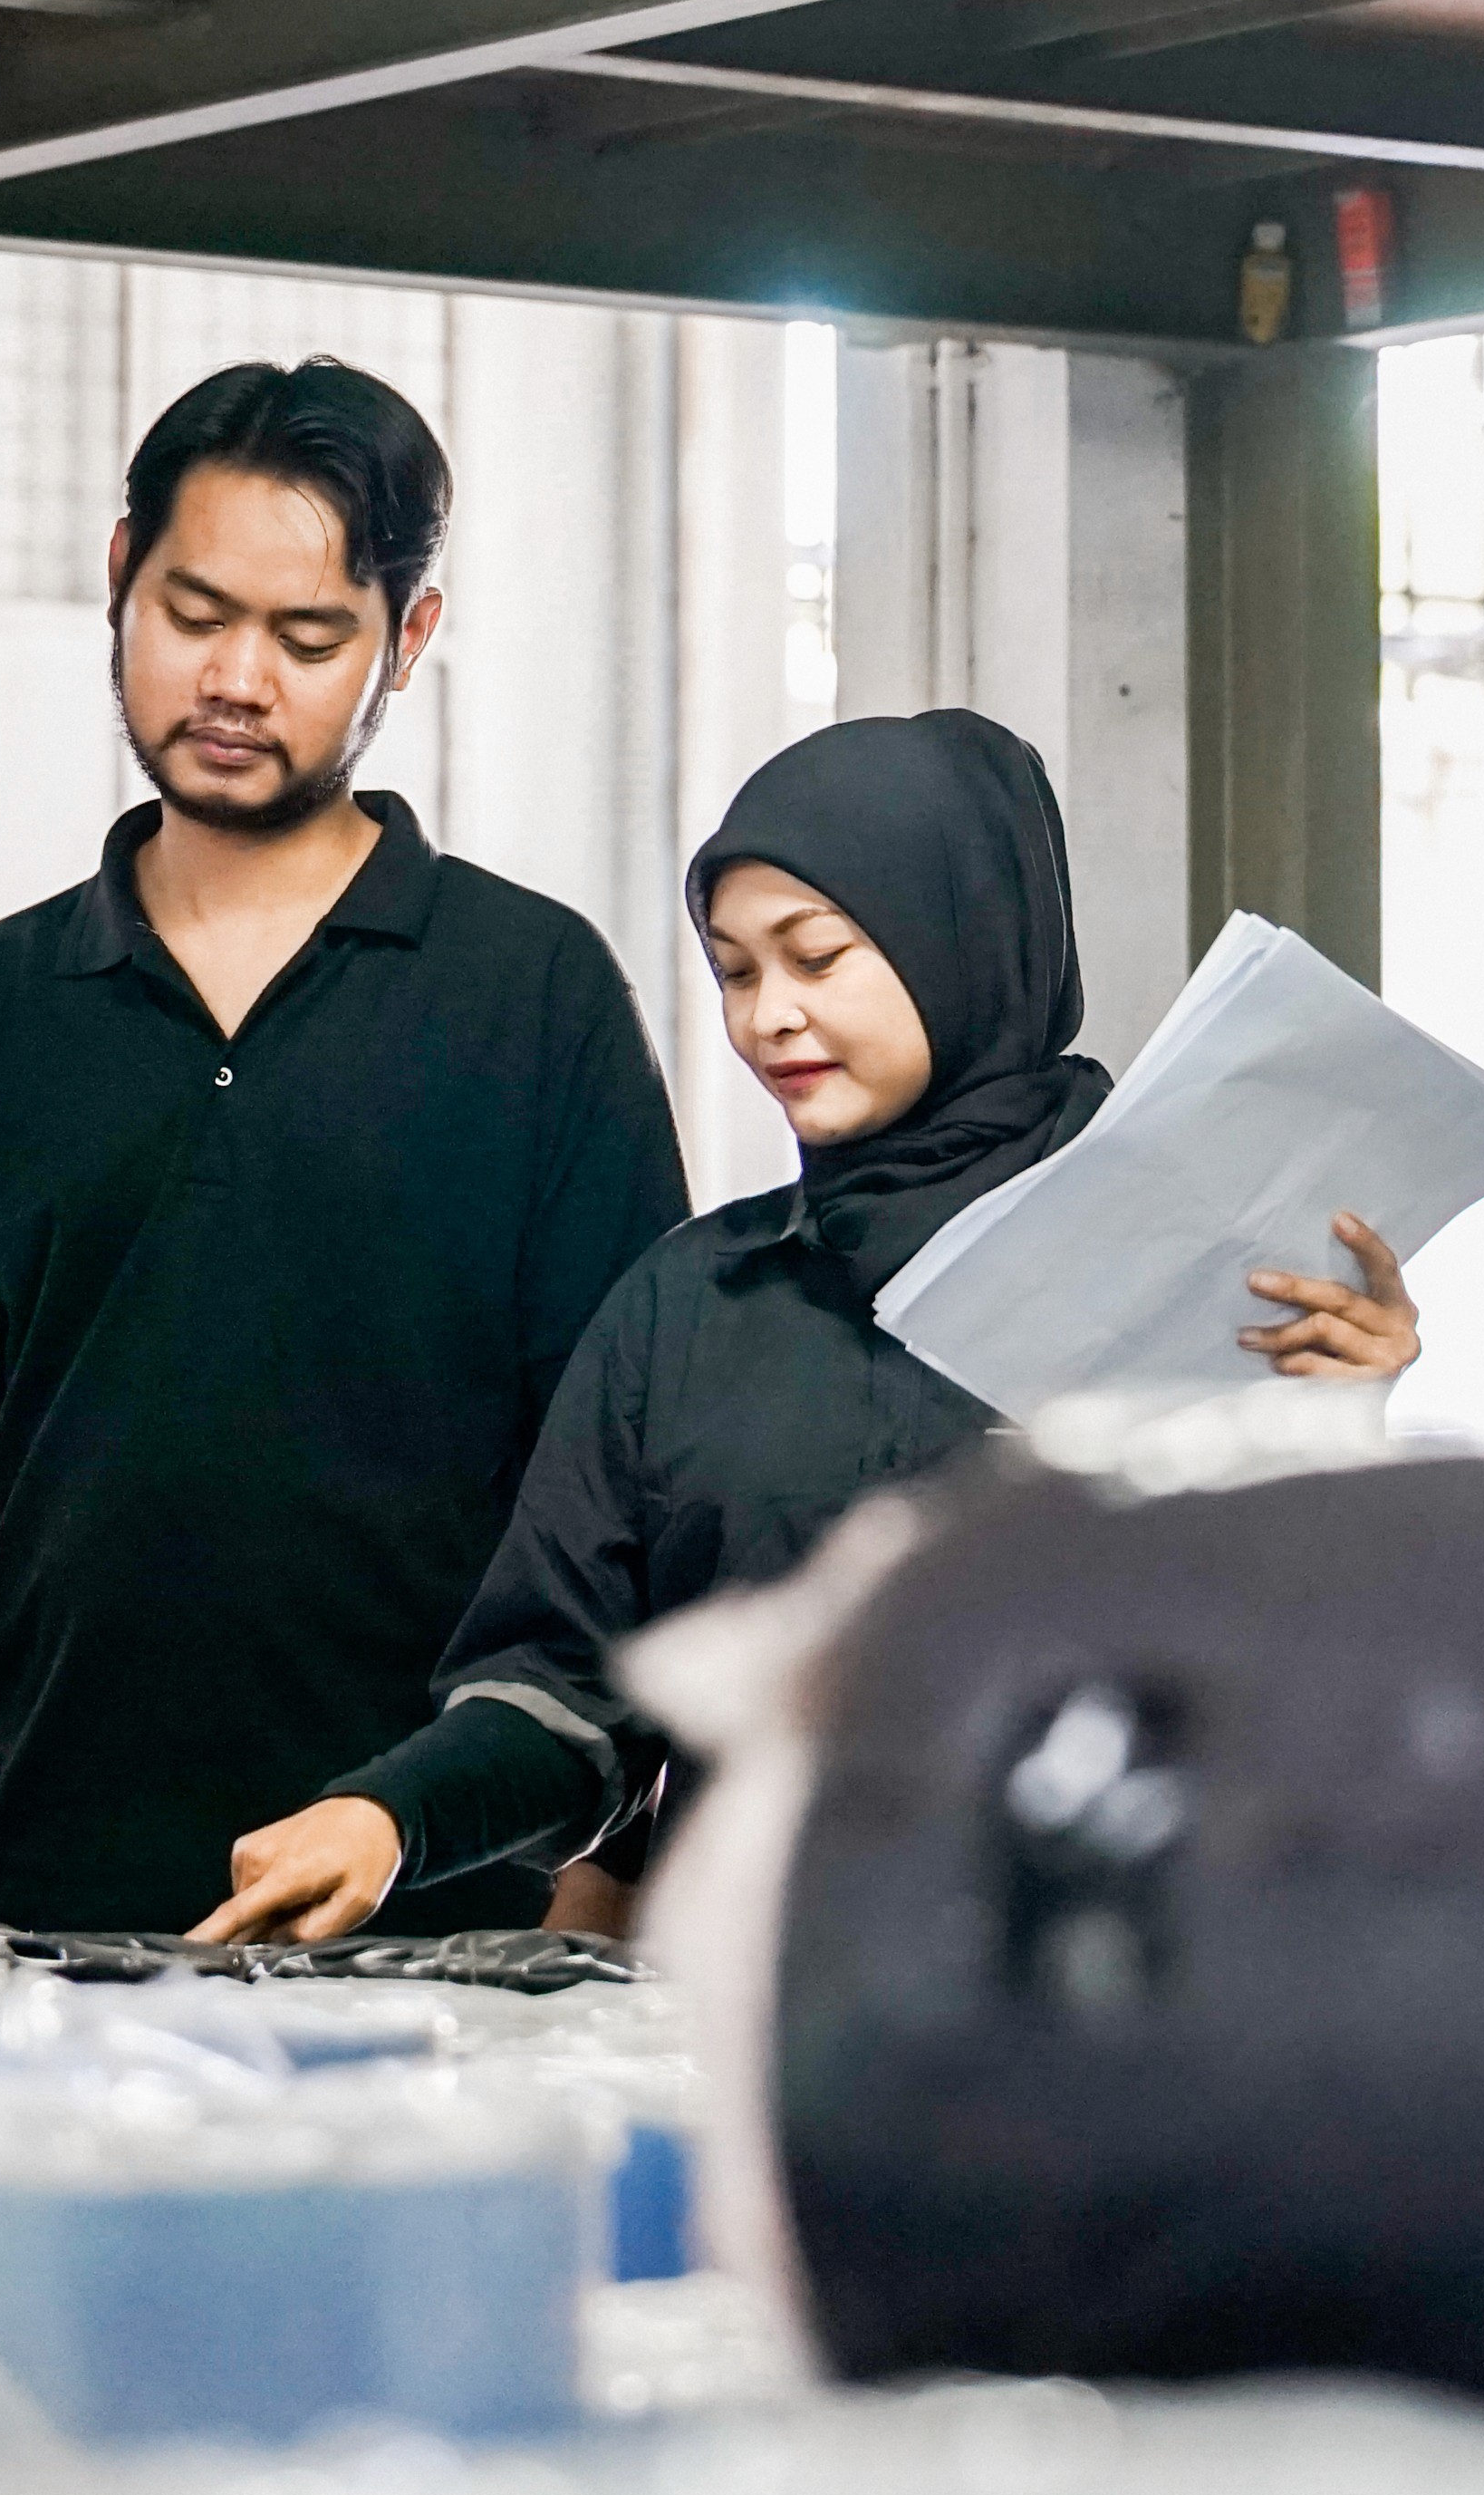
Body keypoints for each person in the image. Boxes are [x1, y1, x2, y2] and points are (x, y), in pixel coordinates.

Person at [194, 707, 1417, 1944]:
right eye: (734, 969)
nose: (765, 1016)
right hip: (755, 2014)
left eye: (815, 956)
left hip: (1102, 2018)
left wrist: (1340, 1427)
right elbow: (571, 1698)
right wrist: (392, 1817)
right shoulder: (691, 1306)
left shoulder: (1198, 1272)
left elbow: (1306, 1697)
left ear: (966, 940)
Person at [0, 360, 688, 1932]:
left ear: (408, 638)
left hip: (430, 1915)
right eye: (194, 614)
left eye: (308, 636)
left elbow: (622, 1498)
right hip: (39, 1902)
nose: (237, 679)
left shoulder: (535, 1000)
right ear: (119, 573)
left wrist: (590, 1897)